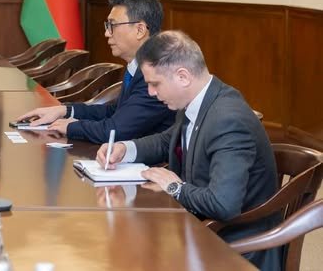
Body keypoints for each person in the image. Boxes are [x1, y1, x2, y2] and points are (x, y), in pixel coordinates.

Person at [98, 30, 280, 270]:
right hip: (199, 228)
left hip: (234, 248)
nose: (151, 92)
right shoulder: (197, 99)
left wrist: (175, 187)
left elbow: (223, 204)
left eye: (155, 84)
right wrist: (125, 148)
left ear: (182, 76)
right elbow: (168, 141)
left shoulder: (228, 119)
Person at [17, 0, 174, 142]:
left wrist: (70, 127)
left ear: (140, 30)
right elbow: (115, 112)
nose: (106, 33)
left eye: (112, 25)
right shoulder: (141, 64)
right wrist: (64, 111)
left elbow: (115, 130)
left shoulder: (157, 73)